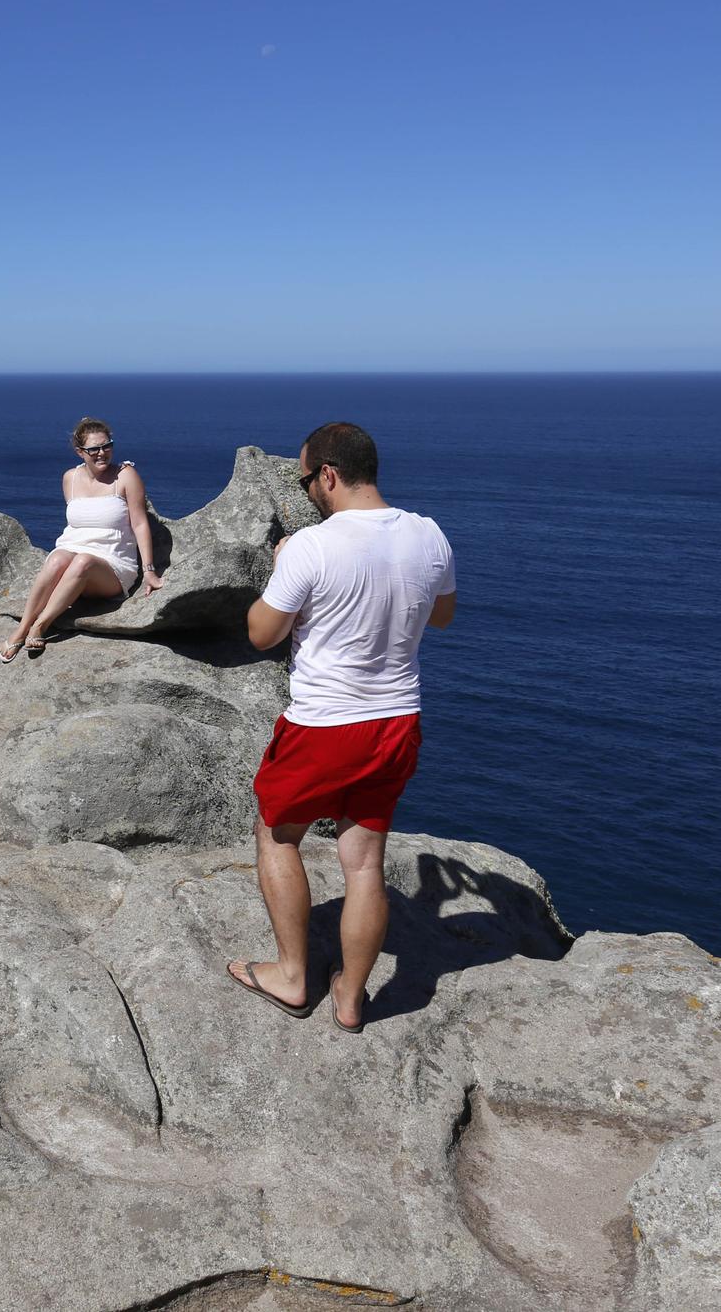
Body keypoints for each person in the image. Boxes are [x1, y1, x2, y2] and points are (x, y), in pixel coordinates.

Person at [226, 422, 455, 1032]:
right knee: (363, 863)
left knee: (277, 836)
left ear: (327, 475)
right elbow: (443, 614)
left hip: (325, 724)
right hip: (397, 719)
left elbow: (260, 634)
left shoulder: (310, 546)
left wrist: (282, 570)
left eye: (306, 481)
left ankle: (294, 976)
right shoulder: (429, 535)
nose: (307, 493)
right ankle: (351, 999)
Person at [0, 418, 164, 662]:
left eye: (107, 446)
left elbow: (140, 523)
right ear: (80, 452)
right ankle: (22, 628)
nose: (101, 453)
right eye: (93, 449)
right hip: (72, 553)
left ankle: (41, 625)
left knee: (83, 561)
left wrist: (149, 570)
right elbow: (77, 523)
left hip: (112, 564)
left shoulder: (125, 475)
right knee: (56, 560)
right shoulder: (70, 478)